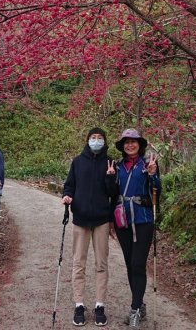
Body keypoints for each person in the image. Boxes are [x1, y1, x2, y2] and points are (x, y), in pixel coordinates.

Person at [62, 127, 117, 327]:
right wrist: (67, 196)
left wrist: (111, 177)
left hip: (102, 220)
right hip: (81, 220)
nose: (96, 141)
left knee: (101, 264)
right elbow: (69, 186)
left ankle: (100, 305)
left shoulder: (110, 162)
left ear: (104, 141)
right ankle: (79, 305)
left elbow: (114, 194)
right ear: (87, 140)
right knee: (79, 263)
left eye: (100, 138)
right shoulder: (77, 162)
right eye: (93, 138)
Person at [113, 128, 161, 328]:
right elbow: (112, 194)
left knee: (138, 264)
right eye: (126, 142)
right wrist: (110, 222)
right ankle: (140, 305)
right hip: (123, 222)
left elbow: (157, 190)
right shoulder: (117, 167)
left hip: (143, 220)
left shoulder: (147, 164)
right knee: (130, 265)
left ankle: (134, 310)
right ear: (123, 146)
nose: (130, 145)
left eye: (133, 141)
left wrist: (153, 175)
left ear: (140, 145)